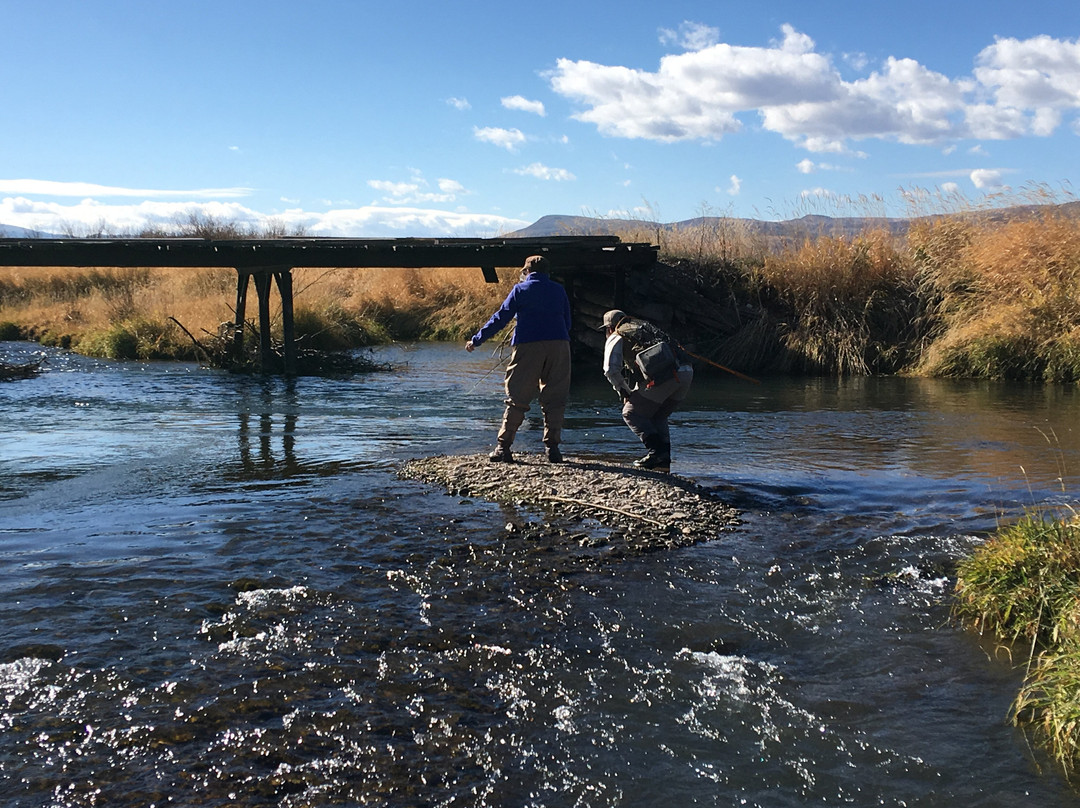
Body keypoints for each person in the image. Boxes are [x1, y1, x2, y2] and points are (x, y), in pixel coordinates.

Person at [465, 255, 571, 464]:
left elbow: (500, 318)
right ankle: (553, 450)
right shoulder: (559, 290)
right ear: (548, 272)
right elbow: (567, 321)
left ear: (526, 272)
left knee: (518, 397)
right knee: (555, 398)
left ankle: (503, 448)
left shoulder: (520, 290)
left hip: (528, 345)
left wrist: (477, 340)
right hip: (560, 344)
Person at [599, 309, 693, 471]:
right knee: (657, 415)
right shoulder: (644, 328)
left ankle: (656, 453)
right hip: (686, 372)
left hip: (667, 376)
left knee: (631, 413)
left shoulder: (617, 335)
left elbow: (610, 369)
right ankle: (663, 462)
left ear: (609, 328)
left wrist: (624, 391)